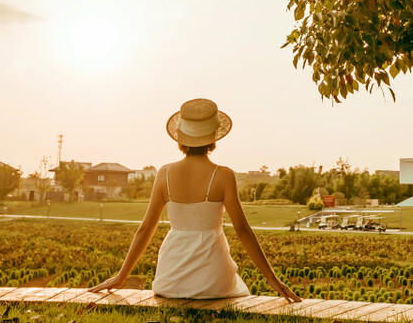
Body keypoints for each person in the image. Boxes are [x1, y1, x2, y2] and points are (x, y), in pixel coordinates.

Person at [90, 98, 301, 301]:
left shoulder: (164, 174)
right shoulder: (224, 175)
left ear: (181, 138)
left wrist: (122, 276)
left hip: (170, 281)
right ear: (214, 138)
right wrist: (272, 278)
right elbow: (243, 230)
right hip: (214, 282)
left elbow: (146, 229)